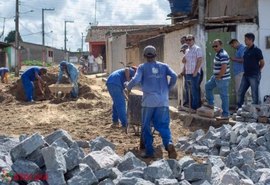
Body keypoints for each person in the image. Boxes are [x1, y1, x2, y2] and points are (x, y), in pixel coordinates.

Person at [125, 45, 177, 159]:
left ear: (144, 56)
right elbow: (174, 76)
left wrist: (128, 86)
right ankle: (169, 143)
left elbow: (137, 79)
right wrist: (168, 88)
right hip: (163, 101)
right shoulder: (164, 66)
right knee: (163, 126)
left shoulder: (142, 67)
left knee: (146, 126)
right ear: (155, 55)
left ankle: (149, 151)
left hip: (148, 102)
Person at [205, 39, 230, 120]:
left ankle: (225, 114)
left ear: (221, 45)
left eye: (216, 46)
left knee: (224, 96)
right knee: (208, 86)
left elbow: (224, 67)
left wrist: (219, 76)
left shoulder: (223, 54)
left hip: (222, 78)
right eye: (213, 46)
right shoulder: (218, 54)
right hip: (216, 77)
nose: (214, 47)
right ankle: (211, 104)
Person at [237, 33, 265, 108]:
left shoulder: (257, 50)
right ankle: (239, 109)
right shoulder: (246, 50)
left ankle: (255, 111)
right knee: (240, 92)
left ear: (251, 40)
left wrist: (258, 71)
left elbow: (262, 63)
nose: (244, 41)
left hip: (254, 75)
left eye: (246, 39)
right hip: (246, 75)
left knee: (254, 94)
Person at [182, 34, 203, 111]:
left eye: (190, 40)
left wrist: (196, 71)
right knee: (188, 90)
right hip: (188, 73)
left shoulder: (197, 49)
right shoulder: (187, 50)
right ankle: (191, 106)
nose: (188, 41)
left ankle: (196, 107)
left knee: (195, 90)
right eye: (187, 40)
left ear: (193, 40)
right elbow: (185, 61)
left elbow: (200, 60)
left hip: (194, 73)